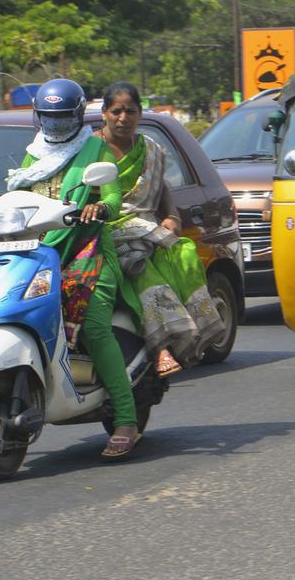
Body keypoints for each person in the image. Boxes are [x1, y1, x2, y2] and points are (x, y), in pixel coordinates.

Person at [4, 79, 146, 460]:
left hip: (88, 252)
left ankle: (127, 420)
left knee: (96, 327)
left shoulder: (96, 148)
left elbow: (113, 195)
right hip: (38, 254)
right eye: (48, 118)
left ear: (78, 116)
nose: (55, 125)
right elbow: (17, 196)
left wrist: (100, 207)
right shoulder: (35, 154)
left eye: (63, 117)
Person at [97, 82, 226, 378]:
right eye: (116, 111)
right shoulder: (93, 148)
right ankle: (164, 345)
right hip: (105, 229)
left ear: (140, 113)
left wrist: (171, 216)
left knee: (183, 252)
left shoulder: (151, 150)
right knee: (141, 267)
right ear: (104, 113)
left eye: (130, 111)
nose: (122, 118)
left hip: (145, 226)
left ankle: (199, 329)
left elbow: (162, 188)